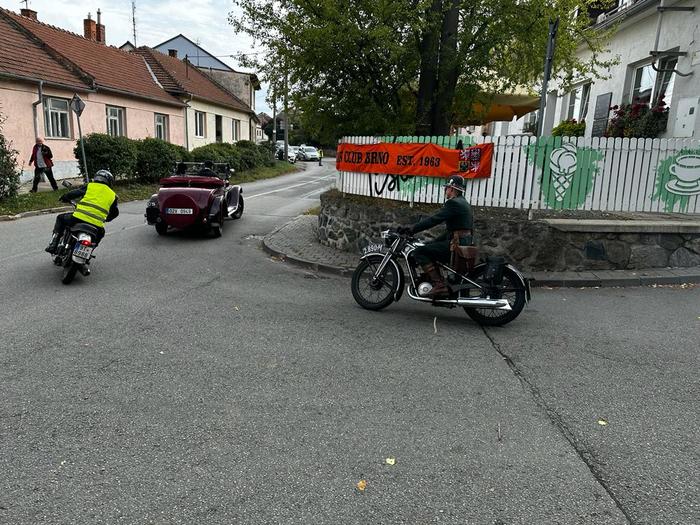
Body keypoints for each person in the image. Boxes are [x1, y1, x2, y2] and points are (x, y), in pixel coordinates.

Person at [399, 175, 473, 297]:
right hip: (462, 242)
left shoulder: (453, 203)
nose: (445, 190)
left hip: (456, 245)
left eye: (446, 188)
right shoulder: (463, 202)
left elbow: (434, 219)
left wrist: (412, 229)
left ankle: (439, 285)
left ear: (452, 189)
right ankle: (439, 282)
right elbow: (453, 231)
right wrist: (433, 242)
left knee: (419, 252)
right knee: (428, 247)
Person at [45, 170, 119, 254]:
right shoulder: (113, 195)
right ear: (110, 182)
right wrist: (106, 219)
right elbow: (115, 213)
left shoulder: (90, 186)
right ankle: (88, 252)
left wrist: (65, 197)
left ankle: (53, 244)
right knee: (100, 235)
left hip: (78, 218)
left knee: (60, 218)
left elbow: (75, 193)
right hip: (97, 225)